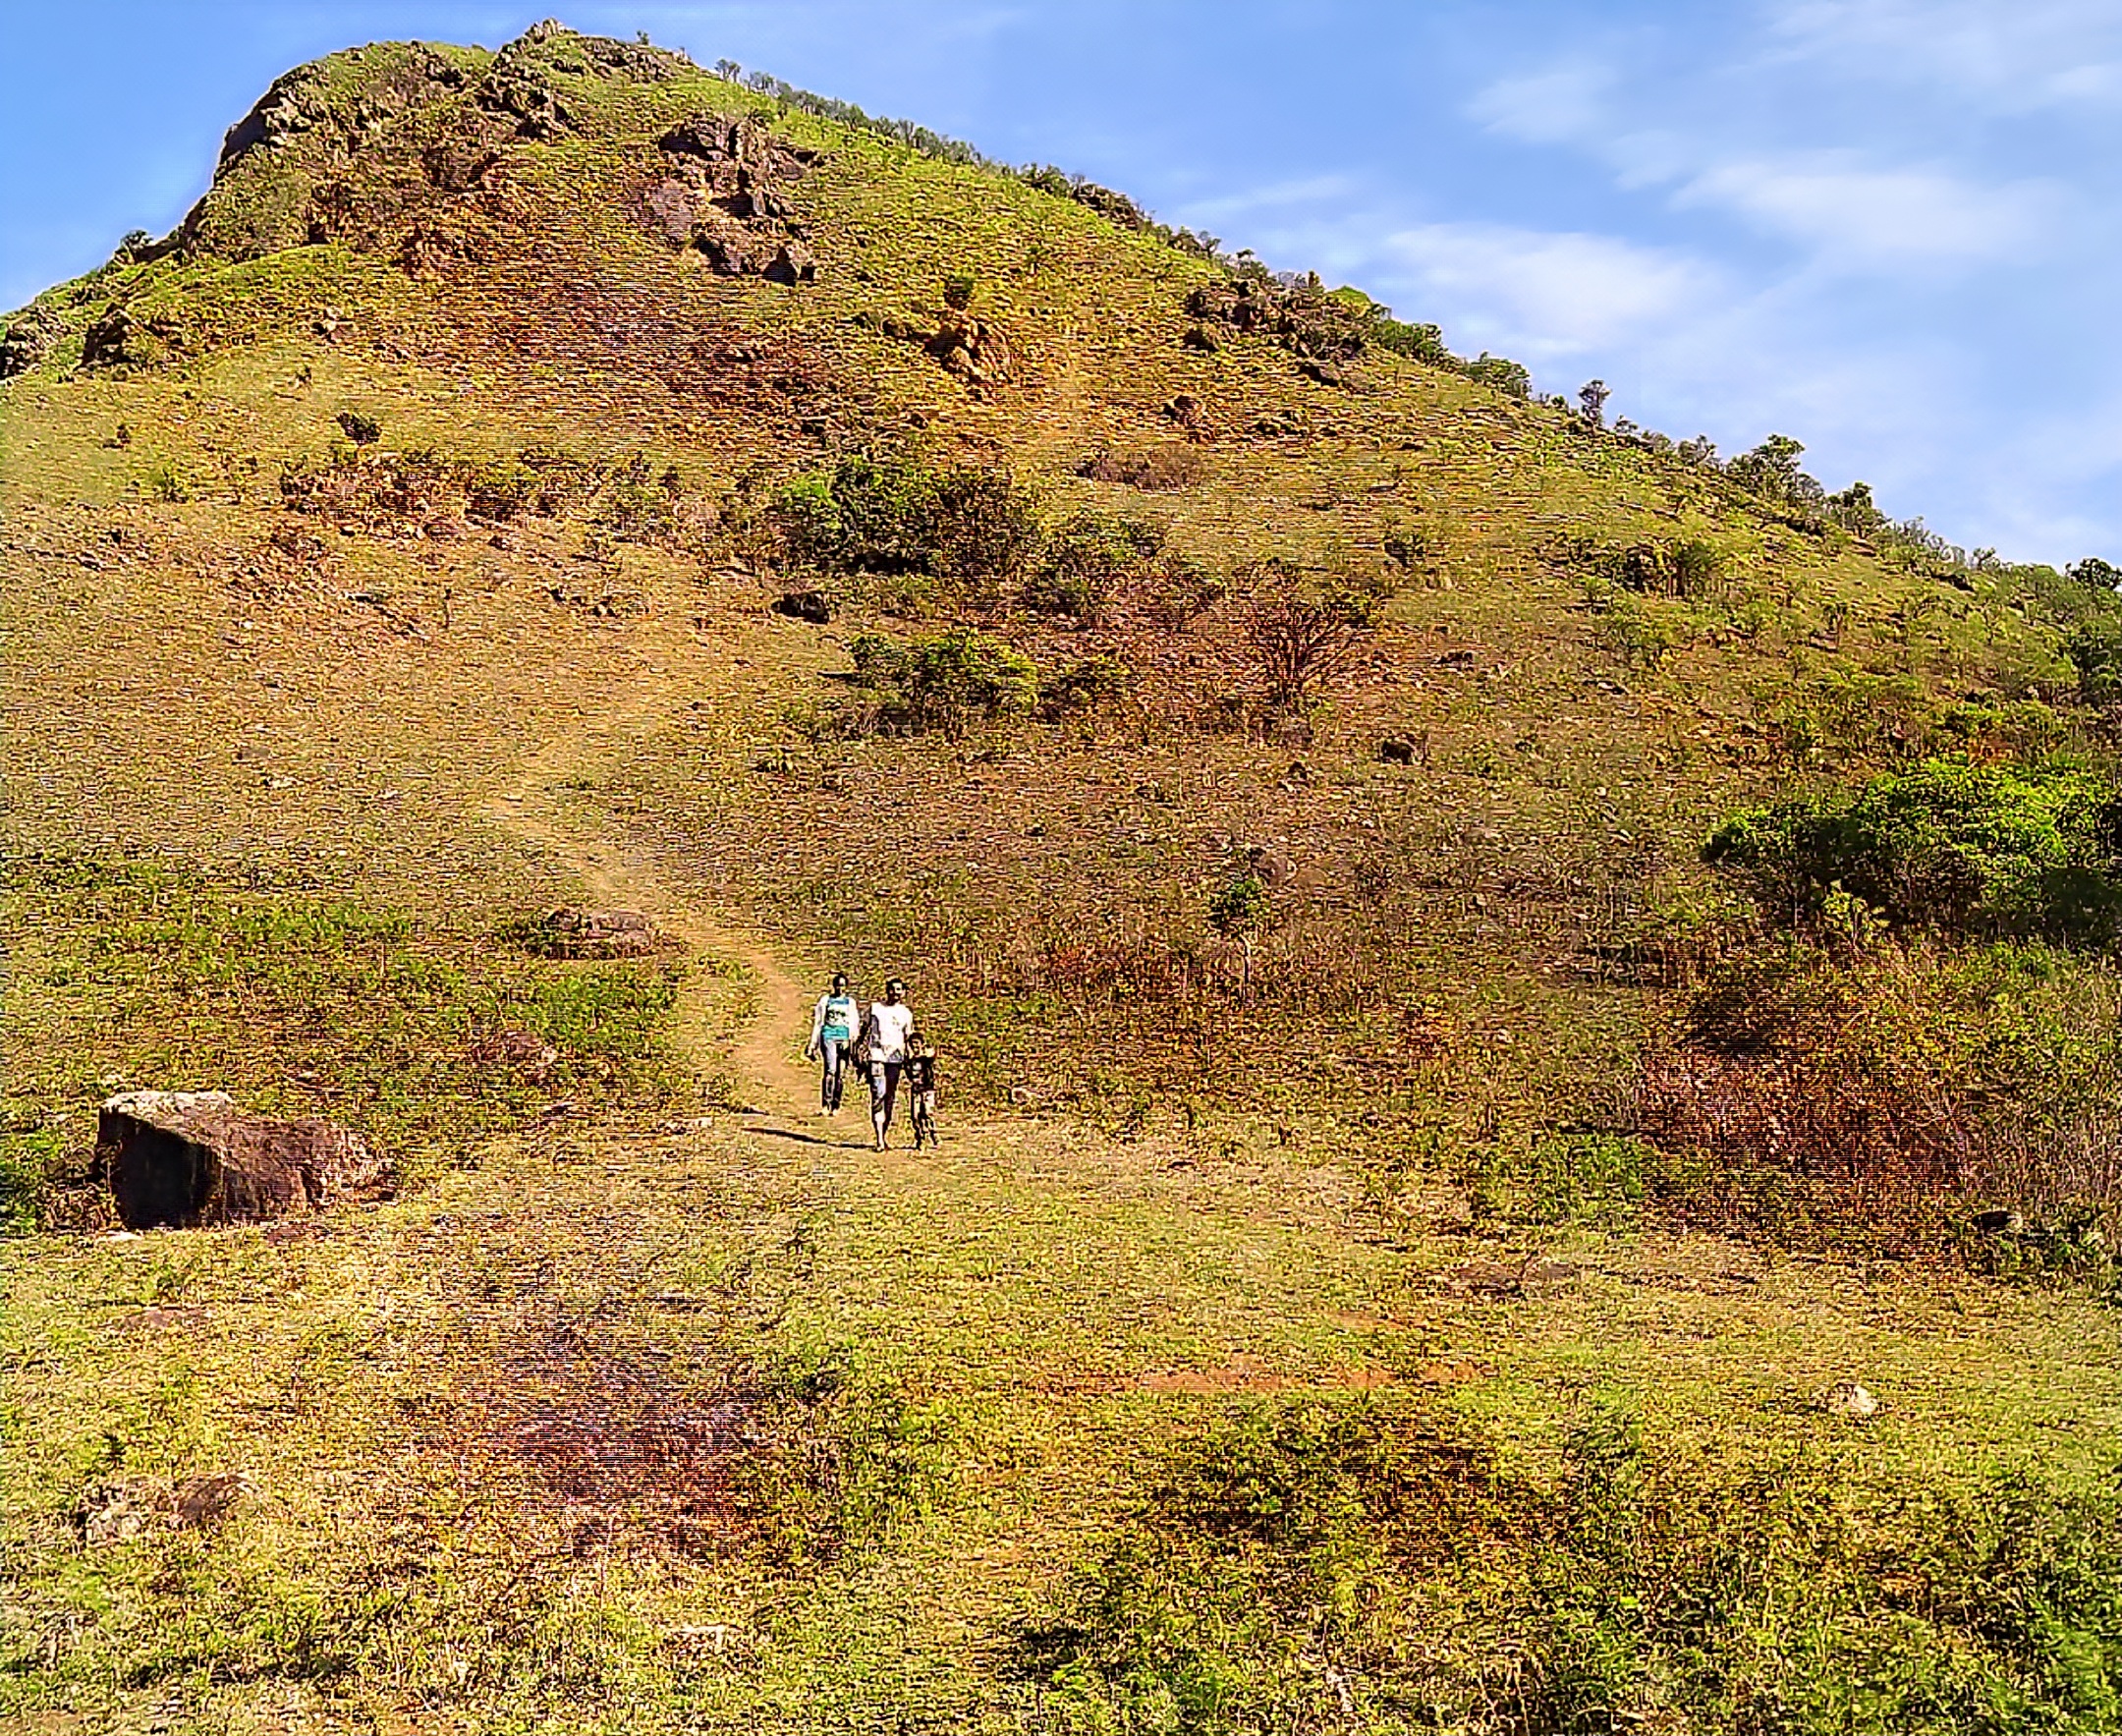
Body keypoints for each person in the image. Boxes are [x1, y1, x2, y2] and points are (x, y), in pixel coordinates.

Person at [860, 977, 917, 1150]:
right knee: (878, 1093)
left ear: (903, 992)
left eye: (899, 989)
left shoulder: (906, 1013)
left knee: (889, 1097)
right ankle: (878, 1138)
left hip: (895, 1058)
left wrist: (912, 1056)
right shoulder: (876, 1009)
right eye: (893, 989)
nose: (896, 993)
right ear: (887, 990)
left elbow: (909, 1037)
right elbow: (864, 1029)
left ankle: (883, 1134)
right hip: (877, 1055)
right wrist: (858, 1048)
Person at [804, 973, 859, 1115]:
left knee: (841, 1073)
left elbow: (854, 1023)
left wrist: (851, 1040)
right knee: (830, 1070)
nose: (840, 988)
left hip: (844, 1037)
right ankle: (826, 1103)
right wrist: (812, 1044)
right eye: (838, 985)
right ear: (834, 986)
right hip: (829, 1035)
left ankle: (836, 1103)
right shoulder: (825, 1000)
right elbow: (819, 1022)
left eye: (843, 986)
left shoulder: (850, 1002)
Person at [906, 1035, 939, 1149]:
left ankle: (933, 1133)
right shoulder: (909, 1060)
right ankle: (920, 1137)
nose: (914, 1045)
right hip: (916, 1090)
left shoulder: (926, 1059)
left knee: (928, 1112)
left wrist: (923, 1051)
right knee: (915, 1115)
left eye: (917, 1042)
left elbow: (932, 1053)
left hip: (927, 1089)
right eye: (912, 1043)